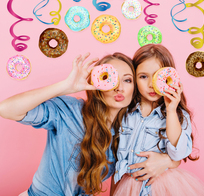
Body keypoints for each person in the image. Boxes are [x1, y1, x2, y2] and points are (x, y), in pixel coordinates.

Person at [0, 52, 179, 196]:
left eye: (127, 80)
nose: (119, 88)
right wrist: (64, 86)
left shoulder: (128, 131)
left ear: (134, 88)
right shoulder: (71, 111)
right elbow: (6, 109)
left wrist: (167, 160)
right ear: (98, 82)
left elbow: (168, 153)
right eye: (110, 78)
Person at [112, 44, 204, 196]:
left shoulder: (177, 114)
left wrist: (171, 110)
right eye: (143, 76)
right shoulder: (125, 112)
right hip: (127, 186)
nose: (152, 84)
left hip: (162, 186)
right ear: (134, 78)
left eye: (158, 77)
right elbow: (116, 161)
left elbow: (178, 153)